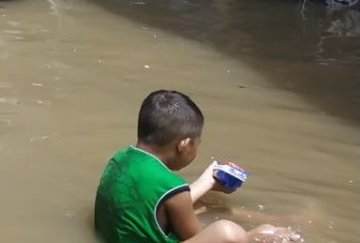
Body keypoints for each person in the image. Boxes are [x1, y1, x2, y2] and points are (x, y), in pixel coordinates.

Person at [95, 90, 292, 243]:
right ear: (184, 144)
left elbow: (161, 197)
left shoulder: (120, 158)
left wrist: (207, 181)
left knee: (201, 204)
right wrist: (253, 236)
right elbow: (196, 236)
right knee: (228, 232)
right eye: (197, 143)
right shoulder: (173, 189)